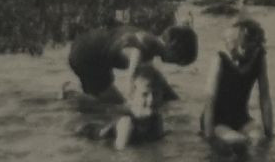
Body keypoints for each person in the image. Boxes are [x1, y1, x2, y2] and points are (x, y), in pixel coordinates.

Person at [64, 21, 197, 107]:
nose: (174, 64)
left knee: (101, 100)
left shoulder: (151, 44)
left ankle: (73, 94)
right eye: (178, 60)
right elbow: (135, 59)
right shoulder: (145, 44)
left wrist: (174, 99)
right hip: (87, 57)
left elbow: (156, 79)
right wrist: (131, 97)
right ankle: (71, 95)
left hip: (88, 48)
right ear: (173, 48)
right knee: (115, 105)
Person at [200, 15, 274, 146]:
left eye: (251, 49)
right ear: (235, 42)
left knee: (260, 140)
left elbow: (265, 96)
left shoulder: (259, 57)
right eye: (243, 48)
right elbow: (209, 100)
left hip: (241, 117)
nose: (247, 53)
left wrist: (269, 133)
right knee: (238, 142)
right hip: (217, 120)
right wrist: (209, 136)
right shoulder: (220, 59)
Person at [81, 72, 166, 149]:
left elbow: (159, 142)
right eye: (144, 94)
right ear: (132, 97)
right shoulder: (126, 123)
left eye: (156, 94)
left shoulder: (156, 118)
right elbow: (121, 157)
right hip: (88, 134)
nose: (151, 99)